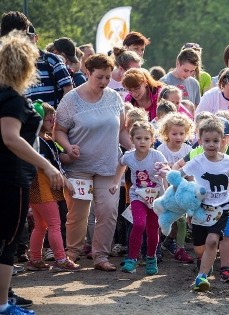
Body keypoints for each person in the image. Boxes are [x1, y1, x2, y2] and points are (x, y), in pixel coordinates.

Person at [0, 31, 68, 315]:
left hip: (9, 176)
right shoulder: (13, 99)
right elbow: (10, 137)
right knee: (8, 242)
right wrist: (48, 166)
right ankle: (3, 308)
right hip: (11, 178)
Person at [55, 53, 131, 271]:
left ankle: (100, 256)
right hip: (79, 166)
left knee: (108, 211)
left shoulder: (115, 98)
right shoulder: (71, 100)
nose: (104, 82)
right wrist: (68, 147)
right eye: (99, 77)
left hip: (109, 164)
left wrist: (134, 149)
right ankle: (72, 253)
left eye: (107, 77)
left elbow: (122, 131)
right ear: (87, 73)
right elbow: (58, 131)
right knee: (78, 213)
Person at [180, 118, 229, 291]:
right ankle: (206, 262)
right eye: (207, 141)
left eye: (215, 141)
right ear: (200, 141)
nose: (211, 145)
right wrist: (165, 173)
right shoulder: (197, 161)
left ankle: (202, 277)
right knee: (200, 248)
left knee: (213, 240)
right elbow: (179, 174)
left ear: (223, 141)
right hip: (200, 209)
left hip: (222, 208)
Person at [26, 101, 80, 272]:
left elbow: (58, 158)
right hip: (42, 190)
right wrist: (66, 181)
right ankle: (61, 259)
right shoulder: (37, 142)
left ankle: (35, 259)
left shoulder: (48, 139)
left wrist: (70, 153)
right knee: (55, 224)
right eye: (49, 121)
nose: (53, 123)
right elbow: (50, 166)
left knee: (41, 226)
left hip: (43, 191)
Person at [111, 121, 166, 274]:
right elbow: (121, 164)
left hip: (155, 197)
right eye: (138, 138)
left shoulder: (157, 155)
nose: (142, 142)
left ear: (152, 140)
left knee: (153, 229)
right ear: (132, 139)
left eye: (146, 138)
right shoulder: (128, 156)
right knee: (139, 224)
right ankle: (132, 259)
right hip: (137, 195)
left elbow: (166, 172)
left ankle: (151, 258)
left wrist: (167, 190)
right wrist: (116, 182)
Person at [0, 12, 73, 108]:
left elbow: (68, 89)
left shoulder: (51, 60)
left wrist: (58, 117)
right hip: (21, 119)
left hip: (50, 120)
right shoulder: (5, 64)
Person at [155, 112, 194, 263]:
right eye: (174, 133)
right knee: (162, 219)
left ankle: (180, 248)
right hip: (166, 191)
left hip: (182, 191)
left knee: (181, 220)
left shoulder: (187, 150)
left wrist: (191, 187)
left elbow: (190, 172)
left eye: (182, 133)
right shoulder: (161, 150)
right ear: (166, 133)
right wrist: (164, 192)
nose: (178, 137)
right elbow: (160, 174)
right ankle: (156, 247)